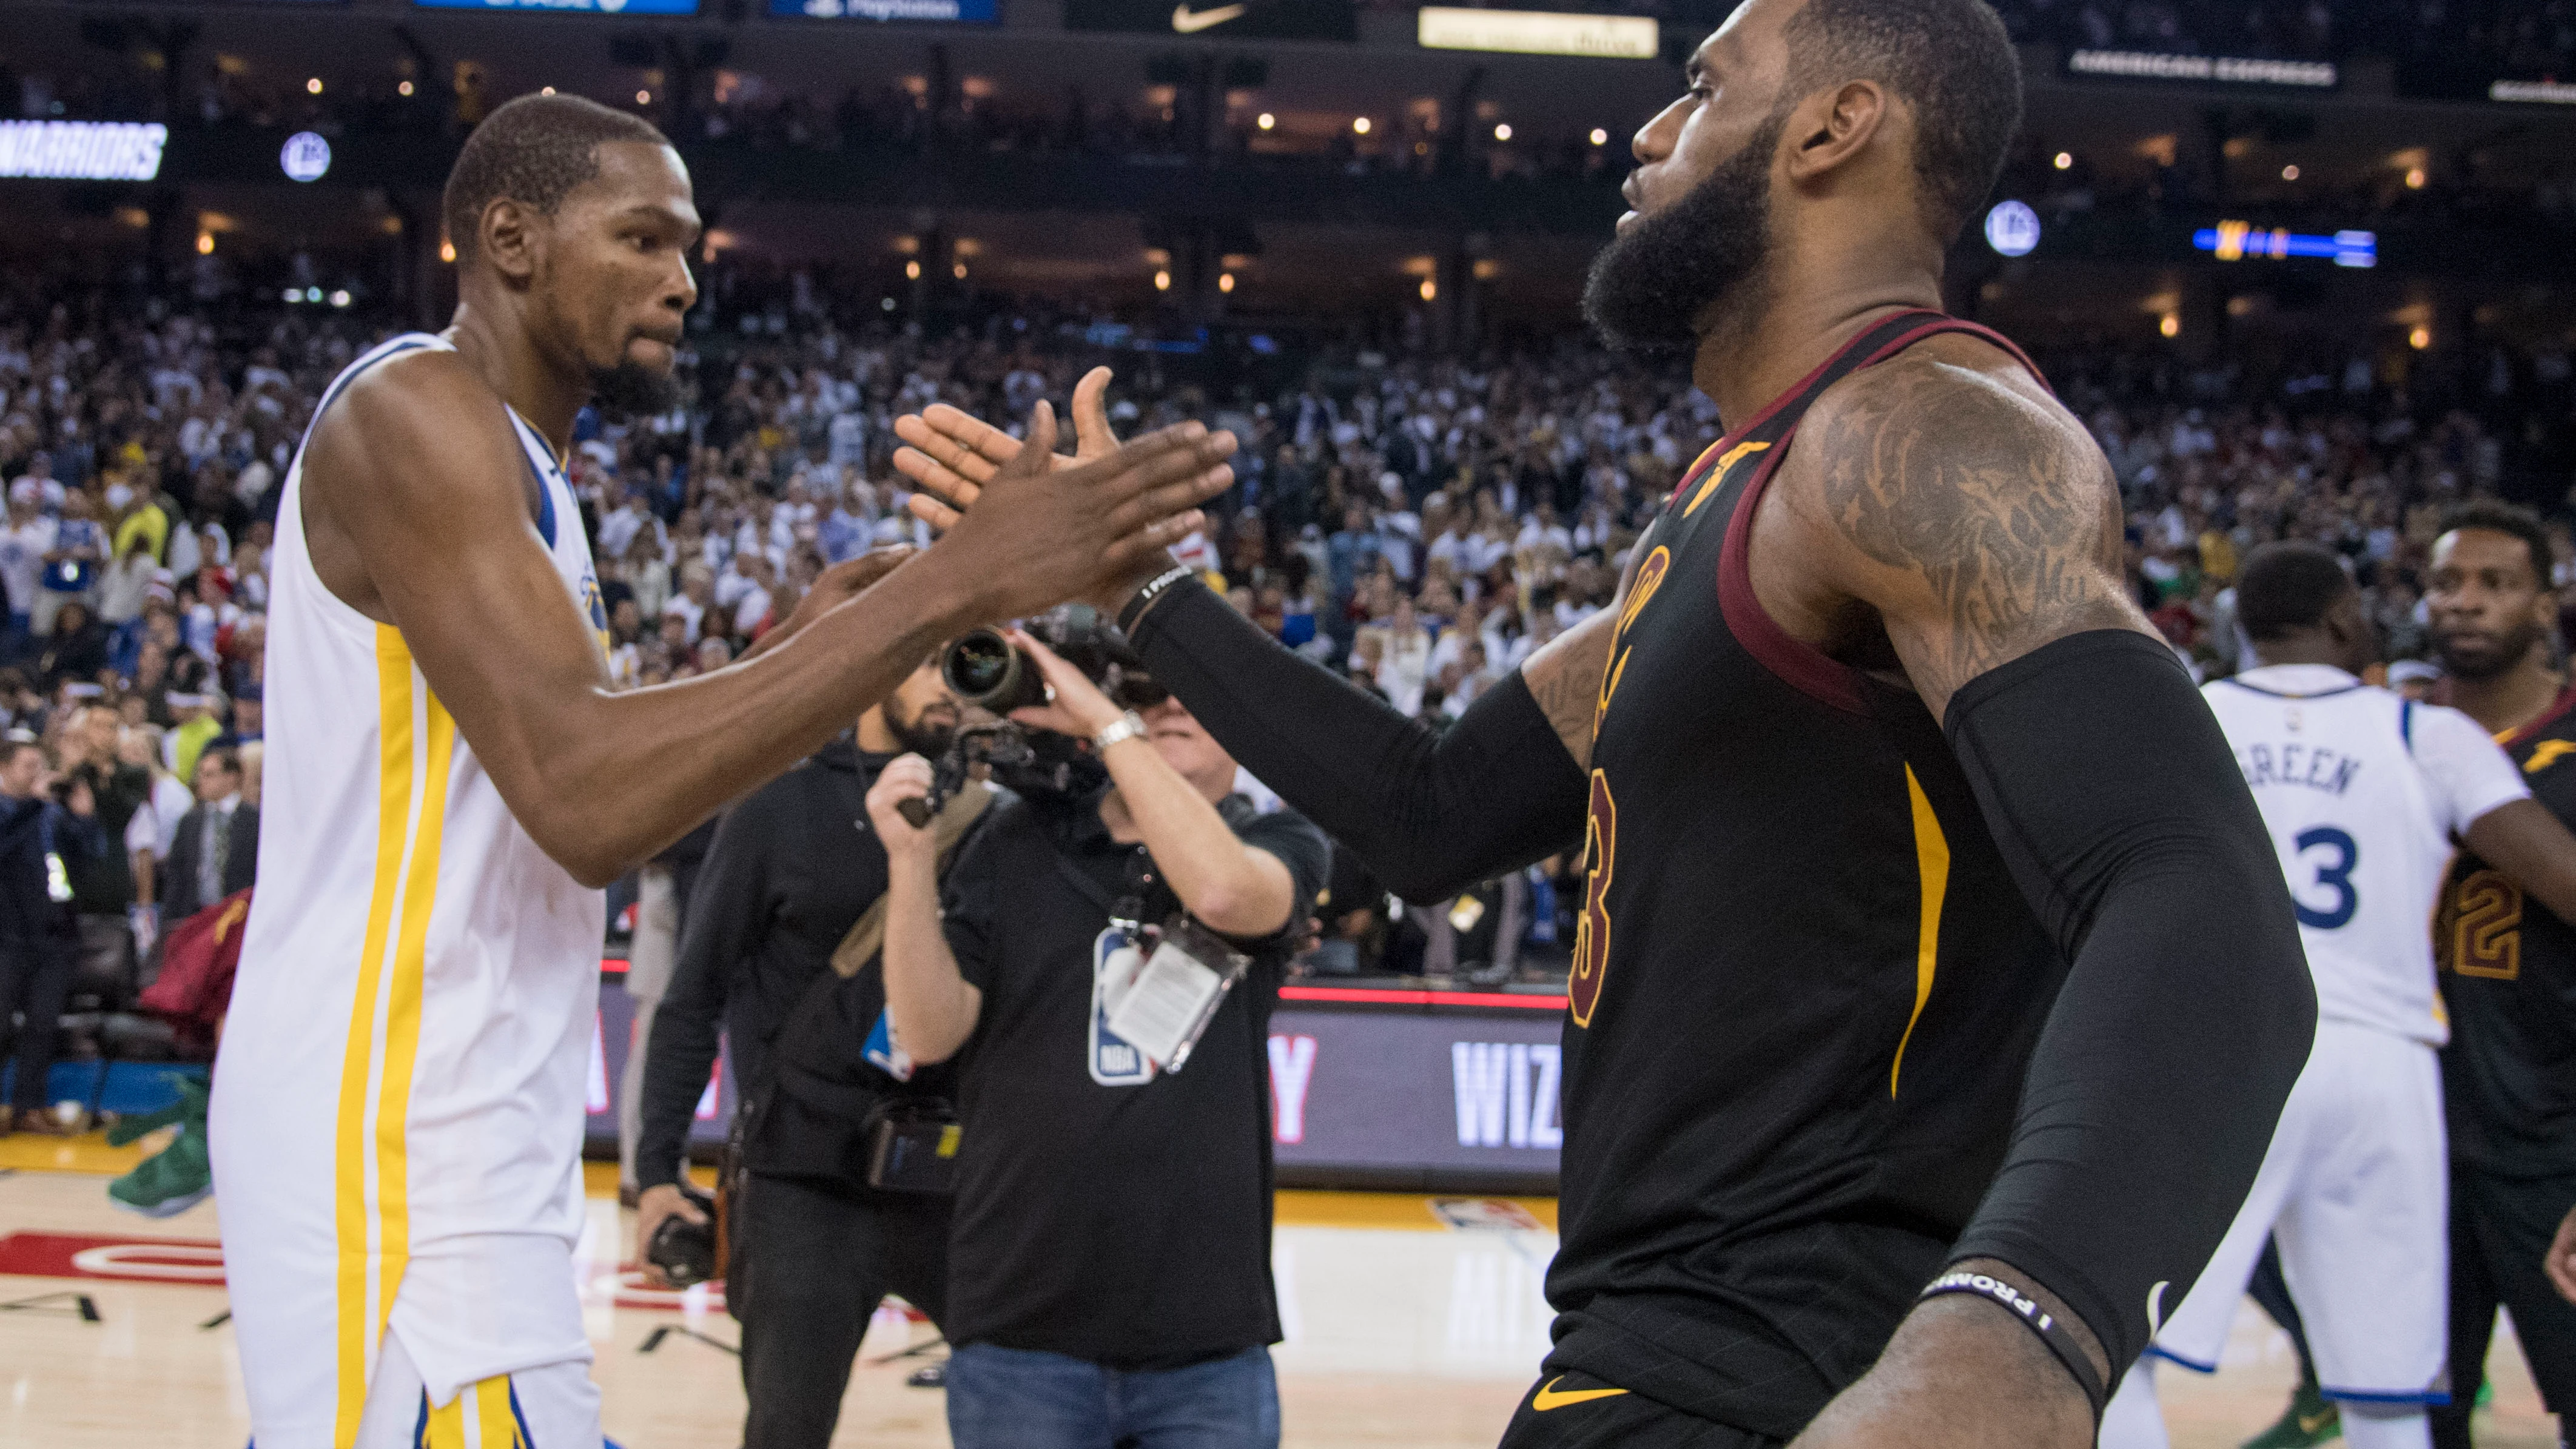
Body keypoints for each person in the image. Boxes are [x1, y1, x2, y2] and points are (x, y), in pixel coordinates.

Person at [895, 0, 2317, 1439]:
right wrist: (1139, 586)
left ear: (1833, 126)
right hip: (1652, 1350)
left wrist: (2017, 1337)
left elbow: (2203, 897)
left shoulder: (1923, 432)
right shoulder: (1728, 501)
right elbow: (1427, 810)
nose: (1647, 132)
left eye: (1701, 88)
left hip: (1814, 1361)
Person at [204, 92, 1235, 1449]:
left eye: (689, 246)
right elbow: (586, 800)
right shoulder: (419, 410)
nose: (684, 279)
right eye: (641, 238)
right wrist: (944, 588)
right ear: (509, 239)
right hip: (396, 1127)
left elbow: (554, 772)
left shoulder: (524, 472)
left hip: (447, 1128)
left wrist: (804, 643)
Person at [2100, 542, 2576, 1449]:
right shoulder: (2421, 732)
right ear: (2345, 621)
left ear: (2237, 627)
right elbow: (2558, 877)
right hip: (2384, 1066)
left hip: (2225, 1051)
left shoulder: (2185, 716)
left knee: (2126, 1355)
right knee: (2387, 1389)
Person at [871, 631, 1328, 1449]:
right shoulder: (1014, 840)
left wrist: (1109, 726)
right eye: (1149, 688)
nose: (1174, 705)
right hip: (1019, 1327)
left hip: (1206, 1339)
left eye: (1200, 693)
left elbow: (1223, 892)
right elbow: (927, 1031)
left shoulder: (1280, 841)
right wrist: (908, 864)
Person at [631, 655, 966, 1449]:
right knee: (786, 1430)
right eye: (925, 661)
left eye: (964, 658)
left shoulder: (996, 812)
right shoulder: (777, 807)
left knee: (1027, 1415)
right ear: (873, 667)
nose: (947, 682)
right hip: (804, 1182)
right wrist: (654, 1171)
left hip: (961, 1172)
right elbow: (692, 997)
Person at [2420, 501, 2576, 1449]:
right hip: (2409, 1138)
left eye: (2494, 583)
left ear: (2544, 607)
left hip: (2550, 1144)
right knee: (2414, 1407)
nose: (2464, 603)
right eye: (2445, 582)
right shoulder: (2379, 735)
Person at [0, 738, 101, 1134]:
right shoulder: (17, 811)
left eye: (40, 766)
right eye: (29, 766)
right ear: (5, 768)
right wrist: (33, 804)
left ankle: (29, 1107)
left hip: (54, 933)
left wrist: (84, 817)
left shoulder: (49, 814)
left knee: (43, 1025)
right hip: (7, 934)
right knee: (1, 1024)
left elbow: (88, 856)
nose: (37, 774)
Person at [159, 745, 255, 926]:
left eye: (209, 774)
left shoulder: (253, 820)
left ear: (231, 777)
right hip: (196, 916)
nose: (201, 780)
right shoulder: (191, 820)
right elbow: (177, 874)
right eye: (200, 774)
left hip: (239, 917)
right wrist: (170, 921)